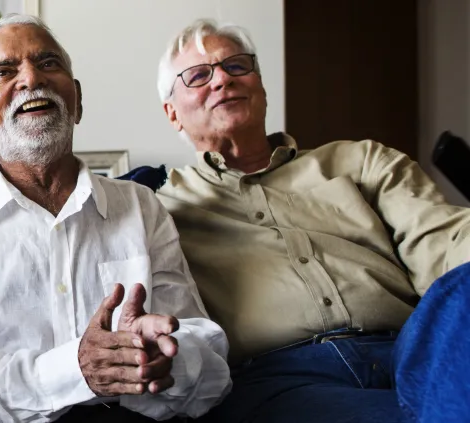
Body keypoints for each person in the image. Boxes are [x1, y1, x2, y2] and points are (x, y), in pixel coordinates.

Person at [0, 15, 231, 423]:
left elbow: (212, 365)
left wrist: (167, 356)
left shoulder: (142, 207)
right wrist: (72, 370)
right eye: (5, 71)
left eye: (48, 64)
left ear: (76, 100)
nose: (31, 79)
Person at [154, 19, 470, 422]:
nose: (221, 81)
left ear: (260, 87)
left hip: (412, 349)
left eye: (236, 66)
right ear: (172, 113)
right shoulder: (160, 211)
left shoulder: (364, 162)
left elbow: (446, 239)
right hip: (282, 379)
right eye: (198, 75)